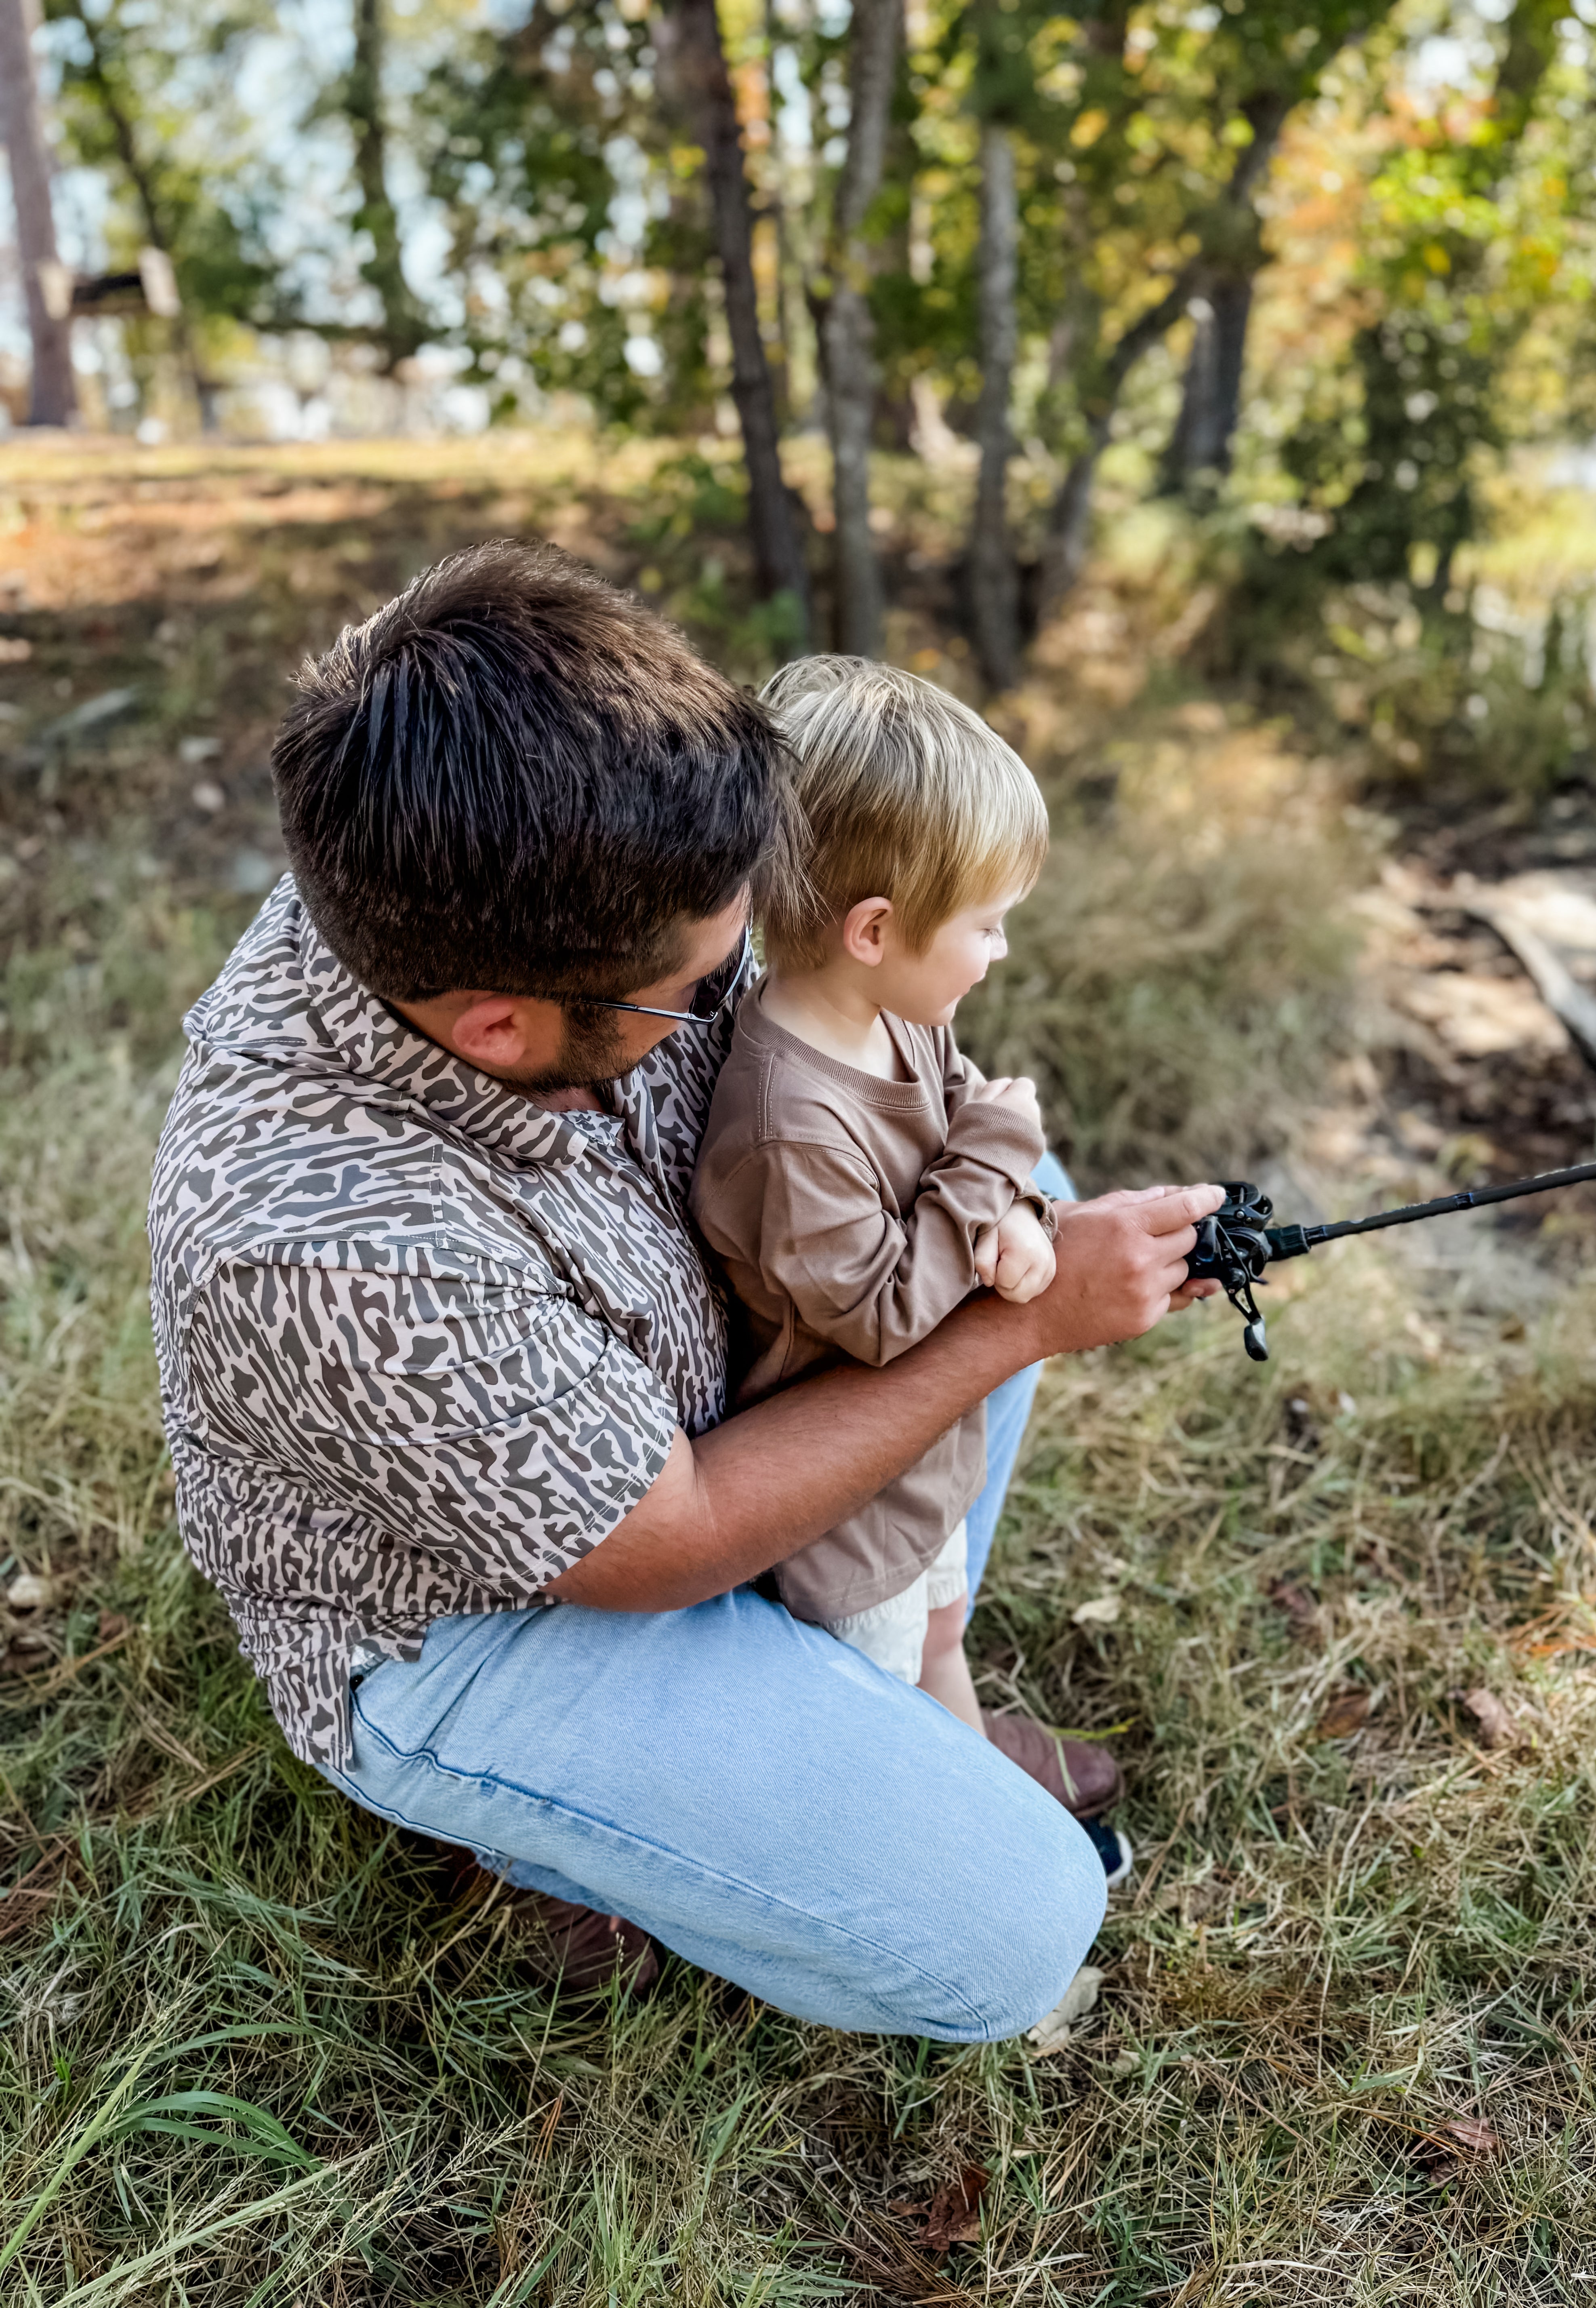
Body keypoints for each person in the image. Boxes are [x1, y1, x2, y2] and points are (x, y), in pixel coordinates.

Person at [147, 539, 1223, 2038]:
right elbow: (673, 1536)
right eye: (701, 989)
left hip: (704, 1386)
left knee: (1005, 1220)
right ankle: (540, 1824)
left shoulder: (498, 831)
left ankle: (888, 1688)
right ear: (507, 1025)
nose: (741, 995)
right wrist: (1025, 1320)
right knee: (1018, 1935)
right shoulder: (329, 1247)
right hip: (490, 1615)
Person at [692, 659, 1061, 1756]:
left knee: (942, 1634)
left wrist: (1016, 1212)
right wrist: (999, 1149)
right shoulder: (787, 1124)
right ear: (873, 929)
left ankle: (984, 1793)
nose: (998, 952)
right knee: (878, 1715)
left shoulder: (895, 1018)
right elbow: (886, 1314)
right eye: (986, 926)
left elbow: (953, 1138)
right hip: (846, 1517)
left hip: (922, 1467)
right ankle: (929, 1836)